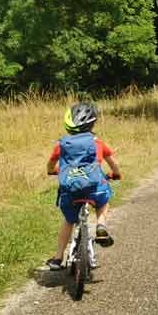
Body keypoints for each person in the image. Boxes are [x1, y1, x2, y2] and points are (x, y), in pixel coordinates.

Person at [45, 102, 122, 271]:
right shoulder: (97, 143)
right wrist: (115, 174)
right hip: (95, 189)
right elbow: (113, 163)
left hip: (70, 193)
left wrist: (52, 171)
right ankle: (101, 225)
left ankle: (58, 258)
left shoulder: (62, 144)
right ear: (92, 124)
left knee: (69, 221)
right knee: (103, 201)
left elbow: (50, 164)